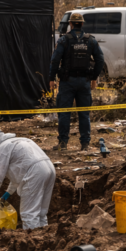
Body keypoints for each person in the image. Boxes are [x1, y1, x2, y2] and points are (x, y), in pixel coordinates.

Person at [49, 12, 105, 151]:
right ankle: (85, 144)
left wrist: (51, 78)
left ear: (71, 24)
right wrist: (94, 78)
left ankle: (63, 143)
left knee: (64, 113)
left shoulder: (64, 40)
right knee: (84, 114)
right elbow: (100, 60)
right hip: (84, 82)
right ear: (82, 23)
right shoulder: (90, 40)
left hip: (67, 82)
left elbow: (55, 60)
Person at [0, 127, 56, 230]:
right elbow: (20, 172)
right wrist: (8, 192)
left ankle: (33, 239)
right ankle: (44, 237)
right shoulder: (21, 140)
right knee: (41, 213)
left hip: (35, 173)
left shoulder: (2, 148)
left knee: (29, 214)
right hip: (49, 169)